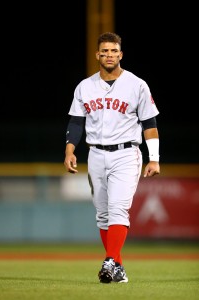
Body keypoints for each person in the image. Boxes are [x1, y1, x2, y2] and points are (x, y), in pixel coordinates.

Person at [64, 32, 160, 284]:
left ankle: (109, 261)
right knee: (103, 215)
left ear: (121, 54)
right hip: (95, 153)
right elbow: (76, 121)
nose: (109, 55)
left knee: (118, 209)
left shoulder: (137, 84)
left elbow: (149, 123)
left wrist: (155, 158)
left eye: (113, 51)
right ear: (97, 54)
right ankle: (117, 266)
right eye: (104, 51)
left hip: (127, 153)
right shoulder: (85, 86)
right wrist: (70, 149)